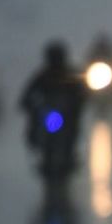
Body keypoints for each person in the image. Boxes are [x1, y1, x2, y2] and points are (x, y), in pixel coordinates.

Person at [19, 40, 87, 176]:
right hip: (47, 115)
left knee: (72, 129)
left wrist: (76, 105)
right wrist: (32, 107)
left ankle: (70, 154)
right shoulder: (43, 76)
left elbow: (83, 94)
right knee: (35, 127)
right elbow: (26, 96)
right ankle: (42, 150)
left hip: (66, 115)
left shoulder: (70, 75)